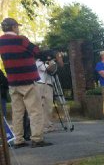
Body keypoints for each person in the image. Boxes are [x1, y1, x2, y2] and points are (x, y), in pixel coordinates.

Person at [0, 17, 51, 147]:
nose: (18, 29)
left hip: (12, 81)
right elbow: (36, 51)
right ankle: (37, 138)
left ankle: (18, 140)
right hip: (27, 79)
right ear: (13, 27)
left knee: (17, 112)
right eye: (17, 26)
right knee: (35, 110)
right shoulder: (21, 39)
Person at [35, 49, 61, 132]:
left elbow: (53, 71)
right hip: (41, 84)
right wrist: (52, 63)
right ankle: (42, 126)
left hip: (48, 84)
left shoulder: (46, 62)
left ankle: (48, 124)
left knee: (48, 106)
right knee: (41, 105)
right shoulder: (39, 62)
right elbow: (49, 70)